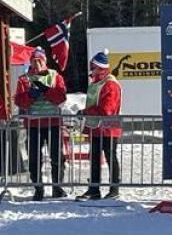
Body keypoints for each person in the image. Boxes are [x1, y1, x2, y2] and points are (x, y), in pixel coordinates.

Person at [14, 47, 67, 201]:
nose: (37, 64)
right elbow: (20, 102)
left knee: (57, 157)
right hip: (34, 124)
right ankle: (38, 188)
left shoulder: (55, 76)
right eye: (34, 60)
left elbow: (61, 98)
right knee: (34, 159)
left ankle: (57, 187)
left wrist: (46, 90)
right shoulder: (24, 79)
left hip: (53, 123)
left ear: (45, 61)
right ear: (30, 62)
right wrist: (31, 94)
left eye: (40, 60)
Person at [76, 49, 123, 201]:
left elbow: (106, 109)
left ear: (101, 67)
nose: (91, 69)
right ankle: (94, 189)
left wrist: (85, 112)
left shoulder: (110, 83)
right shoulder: (97, 83)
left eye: (93, 66)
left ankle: (114, 189)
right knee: (95, 158)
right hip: (96, 127)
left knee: (110, 158)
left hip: (108, 127)